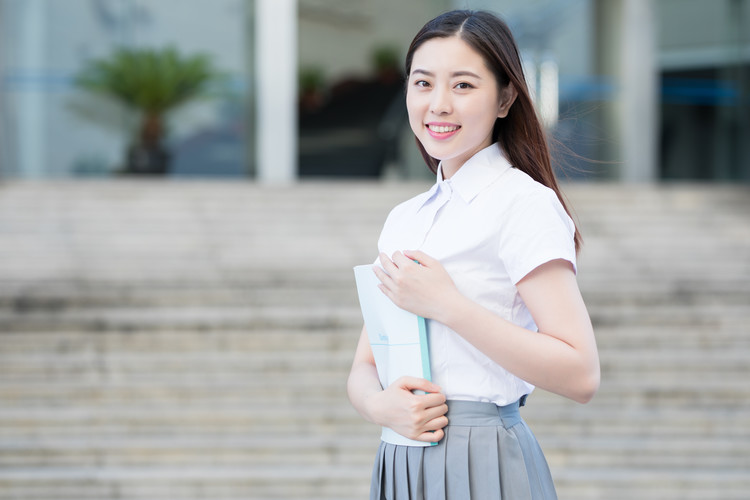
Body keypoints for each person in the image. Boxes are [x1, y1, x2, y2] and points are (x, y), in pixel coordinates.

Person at [347, 9, 600, 500]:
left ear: (505, 98)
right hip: (399, 456)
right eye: (423, 83)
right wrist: (380, 408)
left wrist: (449, 305)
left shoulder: (522, 204)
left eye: (463, 86)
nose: (438, 104)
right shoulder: (406, 218)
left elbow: (581, 373)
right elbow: (365, 365)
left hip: (481, 456)